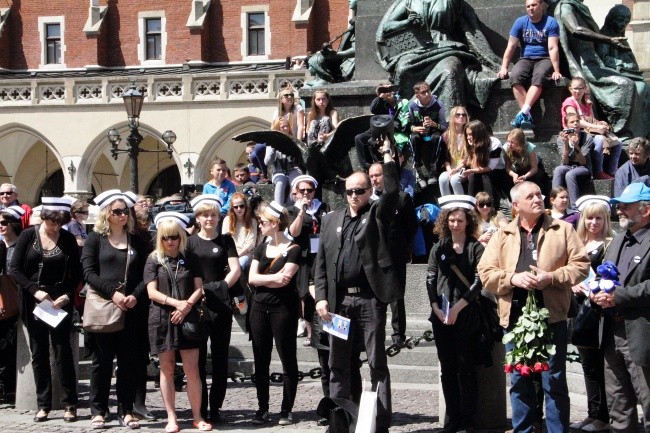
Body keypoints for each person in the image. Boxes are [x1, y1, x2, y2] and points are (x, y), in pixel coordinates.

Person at [477, 181, 590, 433]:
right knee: (519, 381)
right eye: (531, 196)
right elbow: (485, 272)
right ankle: (523, 430)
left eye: (539, 194)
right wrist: (512, 279)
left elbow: (581, 266)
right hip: (515, 319)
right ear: (516, 206)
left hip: (552, 317)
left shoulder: (563, 229)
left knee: (555, 381)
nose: (538, 198)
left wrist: (551, 278)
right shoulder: (503, 233)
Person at [314, 138, 398, 433]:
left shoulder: (375, 215)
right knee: (338, 365)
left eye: (359, 191)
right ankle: (340, 422)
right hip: (338, 306)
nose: (353, 196)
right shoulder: (330, 220)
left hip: (368, 301)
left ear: (369, 191)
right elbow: (321, 265)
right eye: (349, 191)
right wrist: (320, 298)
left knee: (376, 364)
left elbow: (391, 196)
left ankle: (379, 424)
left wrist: (387, 157)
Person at [9, 196, 82, 423]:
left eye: (60, 224)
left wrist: (67, 295)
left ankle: (70, 403)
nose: (55, 228)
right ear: (44, 218)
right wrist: (34, 290)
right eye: (52, 223)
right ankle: (43, 404)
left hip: (59, 300)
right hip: (34, 300)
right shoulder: (28, 236)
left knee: (63, 352)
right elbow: (15, 269)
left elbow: (77, 273)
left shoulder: (68, 238)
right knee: (38, 352)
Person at [81, 190, 149, 429]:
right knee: (102, 361)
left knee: (128, 362)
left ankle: (126, 409)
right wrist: (114, 293)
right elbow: (89, 273)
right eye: (117, 211)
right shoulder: (95, 239)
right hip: (105, 306)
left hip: (132, 308)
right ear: (107, 214)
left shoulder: (137, 240)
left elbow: (147, 274)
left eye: (125, 211)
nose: (122, 215)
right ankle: (98, 410)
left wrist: (134, 295)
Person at [144, 212, 212, 433]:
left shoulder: (190, 256)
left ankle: (197, 416)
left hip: (188, 318)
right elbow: (151, 292)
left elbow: (199, 287)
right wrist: (177, 304)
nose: (170, 241)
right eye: (165, 237)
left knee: (193, 370)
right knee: (167, 369)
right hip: (162, 318)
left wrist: (186, 306)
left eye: (174, 236)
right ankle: (171, 418)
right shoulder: (154, 259)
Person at [592, 182, 650, 433]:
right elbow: (604, 276)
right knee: (619, 403)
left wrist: (620, 296)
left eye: (625, 206)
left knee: (648, 402)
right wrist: (597, 293)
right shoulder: (617, 240)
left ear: (645, 210)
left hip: (640, 334)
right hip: (611, 332)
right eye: (618, 205)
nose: (619, 211)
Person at [376, 0, 501, 112]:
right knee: (403, 68)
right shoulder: (409, 1)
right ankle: (406, 117)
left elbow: (469, 29)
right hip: (417, 47)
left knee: (450, 70)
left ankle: (449, 124)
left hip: (445, 45)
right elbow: (386, 27)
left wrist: (490, 60)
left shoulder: (452, 2)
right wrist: (407, 23)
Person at [427, 195, 484, 433]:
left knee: (466, 367)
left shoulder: (475, 247)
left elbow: (480, 281)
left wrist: (459, 307)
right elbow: (430, 277)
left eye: (459, 220)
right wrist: (435, 307)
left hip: (466, 314)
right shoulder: (439, 247)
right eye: (451, 220)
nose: (455, 224)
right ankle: (453, 417)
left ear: (467, 221)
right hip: (441, 314)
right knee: (447, 369)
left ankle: (469, 418)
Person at [554, 0, 650, 141]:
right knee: (625, 85)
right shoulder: (566, 7)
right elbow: (575, 29)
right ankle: (621, 133)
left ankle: (638, 133)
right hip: (584, 63)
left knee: (641, 87)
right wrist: (609, 40)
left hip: (594, 61)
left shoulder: (581, 8)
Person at [187, 195, 241, 424]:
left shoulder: (226, 240)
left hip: (220, 304)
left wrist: (220, 288)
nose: (209, 219)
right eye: (205, 215)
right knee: (197, 359)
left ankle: (216, 406)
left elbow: (235, 269)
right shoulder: (189, 242)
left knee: (220, 358)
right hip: (196, 305)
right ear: (198, 218)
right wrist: (198, 294)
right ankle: (201, 406)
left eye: (213, 215)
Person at [247, 201, 301, 426]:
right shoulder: (261, 247)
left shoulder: (294, 249)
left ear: (275, 223)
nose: (260, 225)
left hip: (284, 309)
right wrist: (271, 279)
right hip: (259, 308)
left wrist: (264, 280)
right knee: (261, 359)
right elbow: (251, 278)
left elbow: (285, 280)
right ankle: (262, 408)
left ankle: (286, 409)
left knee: (287, 358)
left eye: (263, 222)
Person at [569, 195, 612, 433]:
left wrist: (594, 287)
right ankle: (592, 413)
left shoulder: (609, 245)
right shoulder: (577, 244)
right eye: (589, 218)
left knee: (599, 365)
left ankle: (603, 417)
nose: (593, 223)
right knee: (587, 365)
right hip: (579, 309)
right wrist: (572, 284)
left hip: (599, 310)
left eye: (598, 218)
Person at [369, 162, 418, 345]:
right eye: (372, 176)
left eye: (378, 175)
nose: (375, 179)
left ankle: (398, 335)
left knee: (397, 296)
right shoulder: (367, 200)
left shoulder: (402, 198)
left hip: (395, 254)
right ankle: (375, 334)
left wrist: (403, 246)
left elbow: (411, 226)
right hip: (373, 256)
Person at [498, 0, 562, 129]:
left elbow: (553, 48)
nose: (531, 8)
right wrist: (504, 67)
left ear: (541, 5)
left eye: (534, 5)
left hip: (544, 58)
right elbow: (511, 46)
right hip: (525, 58)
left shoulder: (551, 22)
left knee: (539, 77)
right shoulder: (520, 22)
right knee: (515, 76)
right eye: (528, 6)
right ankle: (526, 115)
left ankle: (522, 113)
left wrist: (556, 70)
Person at [287, 175, 330, 347]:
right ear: (296, 192)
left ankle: (325, 328)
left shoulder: (323, 207)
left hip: (322, 255)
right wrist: (301, 212)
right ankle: (311, 331)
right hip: (304, 257)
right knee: (305, 294)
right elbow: (294, 232)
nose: (306, 193)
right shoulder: (292, 210)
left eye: (309, 190)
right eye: (302, 190)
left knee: (323, 291)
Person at [561, 77, 621, 180]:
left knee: (618, 142)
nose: (577, 91)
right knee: (600, 140)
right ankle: (598, 171)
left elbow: (591, 119)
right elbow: (577, 121)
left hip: (589, 132)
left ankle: (612, 171)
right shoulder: (569, 103)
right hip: (576, 134)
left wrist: (600, 123)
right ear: (570, 89)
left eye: (580, 88)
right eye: (575, 88)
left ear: (585, 89)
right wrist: (597, 126)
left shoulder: (586, 103)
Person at [0, 206, 24, 404]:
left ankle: (10, 387)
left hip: (19, 299)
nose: (0, 227)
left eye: (4, 223)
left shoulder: (21, 246)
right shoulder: (0, 246)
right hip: (3, 300)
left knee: (11, 345)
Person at [406, 81, 447, 184]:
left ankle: (433, 170)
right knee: (413, 138)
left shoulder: (438, 104)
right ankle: (418, 171)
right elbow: (407, 124)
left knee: (438, 138)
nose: (427, 94)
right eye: (423, 92)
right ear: (417, 95)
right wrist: (413, 128)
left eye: (428, 91)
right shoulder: (412, 106)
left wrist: (435, 125)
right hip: (419, 132)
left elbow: (444, 126)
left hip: (434, 132)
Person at [552, 113, 594, 210]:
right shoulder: (561, 139)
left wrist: (576, 146)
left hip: (583, 167)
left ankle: (574, 208)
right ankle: (555, 205)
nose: (576, 124)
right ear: (566, 125)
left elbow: (583, 162)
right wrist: (566, 144)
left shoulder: (587, 138)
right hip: (568, 165)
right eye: (572, 122)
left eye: (577, 121)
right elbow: (565, 162)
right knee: (558, 170)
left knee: (570, 174)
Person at [355, 83, 401, 171]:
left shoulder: (399, 101)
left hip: (391, 129)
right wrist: (380, 98)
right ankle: (367, 166)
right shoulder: (381, 102)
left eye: (390, 89)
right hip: (378, 129)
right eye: (385, 90)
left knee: (371, 141)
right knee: (359, 138)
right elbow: (373, 109)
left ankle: (380, 164)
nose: (388, 92)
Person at [265, 117, 305, 206]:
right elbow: (267, 162)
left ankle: (291, 206)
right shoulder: (271, 143)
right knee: (280, 182)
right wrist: (273, 147)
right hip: (278, 172)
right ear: (277, 128)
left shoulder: (293, 140)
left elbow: (300, 159)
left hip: (293, 169)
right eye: (282, 127)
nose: (286, 129)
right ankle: (278, 208)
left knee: (295, 182)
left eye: (287, 126)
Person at [222, 192, 258, 273]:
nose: (239, 209)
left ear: (246, 207)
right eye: (236, 207)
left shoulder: (252, 221)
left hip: (246, 254)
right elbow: (225, 241)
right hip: (230, 254)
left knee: (240, 263)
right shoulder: (227, 220)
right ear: (232, 208)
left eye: (242, 206)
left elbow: (250, 244)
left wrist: (237, 256)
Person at [439, 106, 470, 196]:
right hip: (451, 167)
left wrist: (457, 169)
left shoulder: (469, 134)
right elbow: (445, 157)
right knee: (442, 178)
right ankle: (447, 207)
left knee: (454, 179)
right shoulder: (446, 136)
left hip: (465, 167)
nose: (461, 117)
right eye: (458, 115)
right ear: (452, 117)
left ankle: (461, 206)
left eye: (463, 115)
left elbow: (469, 156)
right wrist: (449, 170)